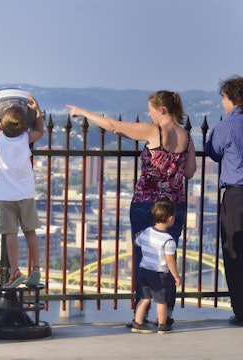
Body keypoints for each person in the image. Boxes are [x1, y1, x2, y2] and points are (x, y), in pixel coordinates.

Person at [65, 90, 196, 324]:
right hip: (175, 206)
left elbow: (114, 127)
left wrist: (82, 112)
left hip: (146, 204)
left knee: (144, 258)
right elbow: (190, 172)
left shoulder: (154, 130)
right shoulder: (186, 135)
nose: (148, 113)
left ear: (161, 110)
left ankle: (141, 312)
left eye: (151, 109)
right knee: (168, 258)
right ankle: (166, 314)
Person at [0, 89, 44, 288]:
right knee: (30, 231)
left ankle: (15, 270)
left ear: (0, 123)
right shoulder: (26, 138)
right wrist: (38, 111)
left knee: (10, 234)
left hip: (6, 196)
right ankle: (36, 268)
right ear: (26, 125)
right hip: (26, 194)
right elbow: (40, 131)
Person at [204, 75, 243, 326]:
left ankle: (241, 310)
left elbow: (213, 151)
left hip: (236, 196)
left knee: (235, 252)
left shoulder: (226, 126)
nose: (222, 103)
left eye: (223, 98)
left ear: (231, 99)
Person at [131, 199, 181, 334]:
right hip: (158, 274)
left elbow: (137, 243)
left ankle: (138, 322)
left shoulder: (146, 231)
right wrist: (176, 276)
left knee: (144, 298)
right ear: (171, 219)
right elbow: (170, 260)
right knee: (161, 301)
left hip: (143, 270)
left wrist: (138, 237)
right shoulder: (169, 240)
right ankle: (162, 325)